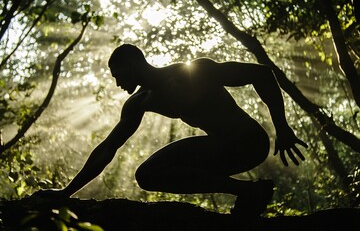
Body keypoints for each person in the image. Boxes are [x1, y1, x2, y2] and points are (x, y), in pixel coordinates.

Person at [34, 44, 307, 216]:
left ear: (133, 63)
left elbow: (260, 73)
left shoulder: (191, 71)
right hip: (223, 148)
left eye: (118, 74)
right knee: (147, 175)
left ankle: (250, 193)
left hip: (250, 141)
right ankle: (248, 192)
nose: (117, 83)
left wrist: (281, 127)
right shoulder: (139, 102)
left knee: (153, 170)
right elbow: (108, 148)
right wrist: (65, 193)